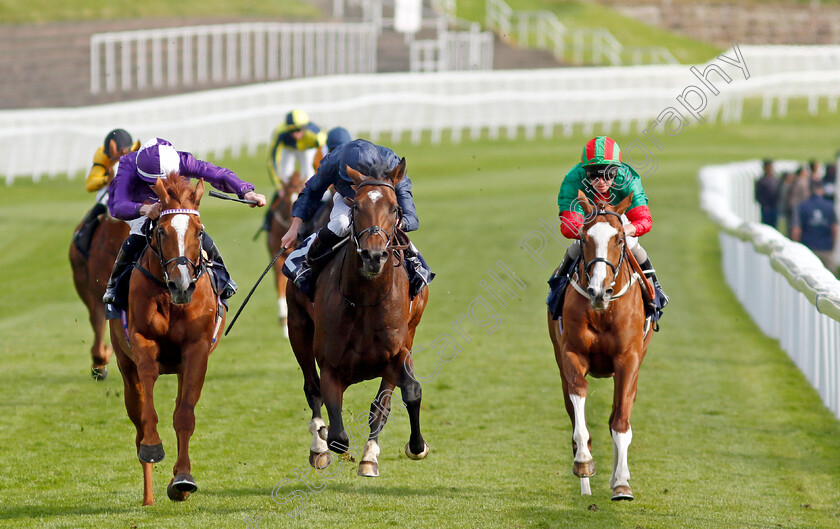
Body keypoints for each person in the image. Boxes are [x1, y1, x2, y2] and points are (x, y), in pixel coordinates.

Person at [102, 138, 266, 306]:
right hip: (143, 207)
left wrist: (245, 192)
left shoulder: (182, 160)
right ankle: (113, 285)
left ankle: (223, 277)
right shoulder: (128, 164)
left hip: (178, 206)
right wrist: (145, 209)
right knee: (137, 235)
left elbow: (217, 173)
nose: (162, 190)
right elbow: (118, 206)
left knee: (196, 233)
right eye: (154, 184)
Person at [279, 138, 433, 300]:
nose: (355, 186)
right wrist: (294, 228)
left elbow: (410, 214)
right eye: (351, 183)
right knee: (340, 224)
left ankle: (416, 265)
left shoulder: (391, 162)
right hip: (348, 201)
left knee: (387, 225)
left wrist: (398, 222)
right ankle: (303, 260)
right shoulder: (334, 161)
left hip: (381, 202)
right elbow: (311, 192)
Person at [548, 136, 668, 317]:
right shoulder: (573, 180)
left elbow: (644, 220)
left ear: (616, 171)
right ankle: (557, 293)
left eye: (607, 174)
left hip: (618, 221)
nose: (601, 181)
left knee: (634, 246)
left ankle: (655, 292)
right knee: (575, 248)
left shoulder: (628, 180)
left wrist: (624, 231)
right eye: (593, 175)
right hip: (589, 222)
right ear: (584, 171)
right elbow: (568, 223)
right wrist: (586, 231)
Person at [72, 129, 140, 257]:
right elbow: (90, 184)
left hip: (131, 196)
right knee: (96, 211)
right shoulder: (102, 155)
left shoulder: (137, 154)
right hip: (107, 196)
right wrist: (106, 179)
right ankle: (81, 241)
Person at [261, 109, 328, 232]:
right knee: (285, 179)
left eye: (298, 130)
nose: (295, 134)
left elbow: (326, 157)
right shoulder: (279, 132)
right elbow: (272, 160)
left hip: (309, 149)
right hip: (289, 149)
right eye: (292, 131)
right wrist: (280, 187)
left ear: (305, 127)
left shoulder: (317, 134)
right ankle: (268, 219)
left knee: (309, 178)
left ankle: (312, 218)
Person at [792, 179, 837, 273]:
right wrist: (832, 246)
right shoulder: (830, 206)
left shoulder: (802, 206)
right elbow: (835, 229)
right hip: (826, 249)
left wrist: (797, 248)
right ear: (822, 189)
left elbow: (796, 230)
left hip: (807, 250)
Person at [754, 158, 779, 228]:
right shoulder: (761, 181)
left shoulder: (775, 179)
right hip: (766, 209)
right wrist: (765, 205)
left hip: (775, 207)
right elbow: (758, 196)